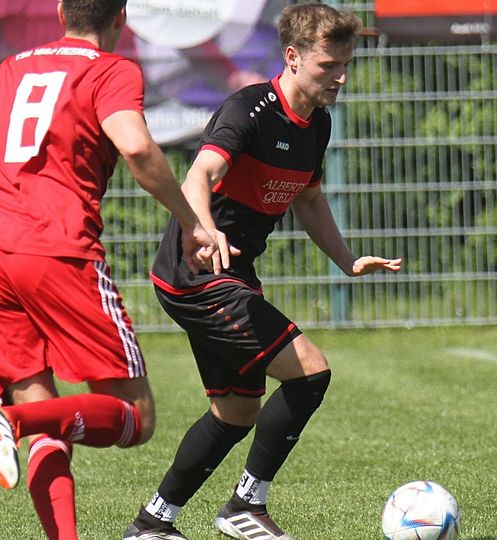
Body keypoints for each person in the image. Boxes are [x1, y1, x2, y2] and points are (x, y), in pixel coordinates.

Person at [123, 3, 402, 540]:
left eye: (346, 64)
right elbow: (199, 175)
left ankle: (153, 523)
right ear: (292, 57)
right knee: (310, 371)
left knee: (236, 411)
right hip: (197, 275)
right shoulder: (249, 110)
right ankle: (245, 506)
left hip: (231, 275)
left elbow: (309, 200)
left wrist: (346, 259)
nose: (340, 77)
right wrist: (203, 230)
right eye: (328, 65)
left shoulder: (317, 124)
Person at [0, 1, 216, 538]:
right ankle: (9, 422)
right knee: (135, 417)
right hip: (58, 252)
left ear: (61, 10)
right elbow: (136, 147)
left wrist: (9, 226)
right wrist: (191, 223)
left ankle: (19, 433)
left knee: (49, 421)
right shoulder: (111, 70)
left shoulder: (5, 71)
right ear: (121, 18)